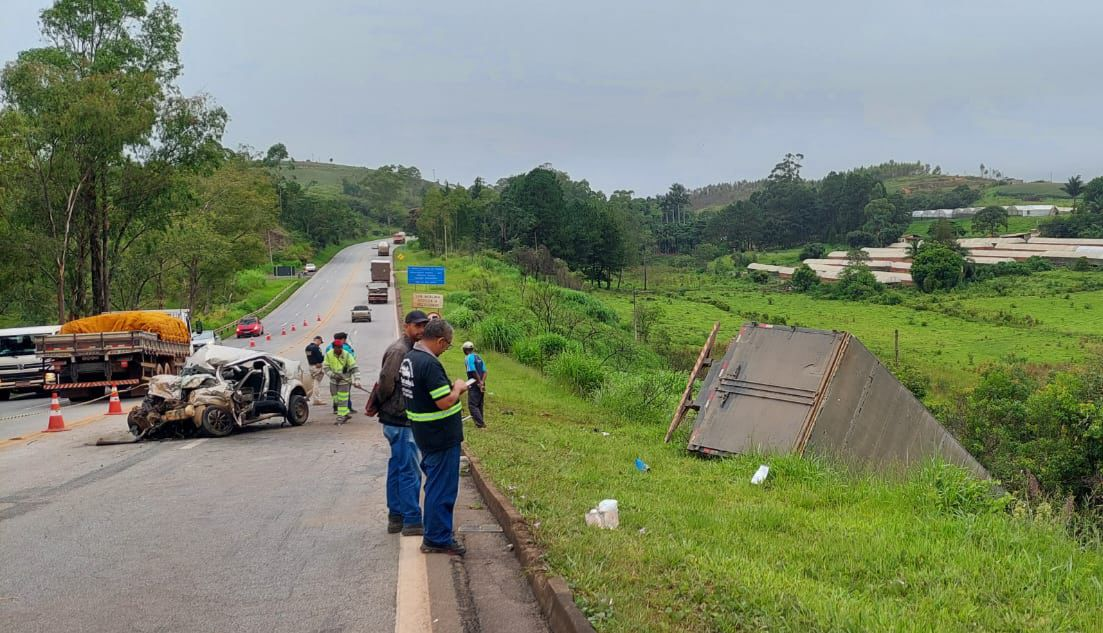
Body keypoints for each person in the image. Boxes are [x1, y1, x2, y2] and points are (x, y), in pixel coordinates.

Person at [400, 318, 468, 556]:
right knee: (442, 488)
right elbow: (444, 401)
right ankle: (437, 538)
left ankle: (435, 534)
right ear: (440, 340)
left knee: (435, 485)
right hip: (440, 436)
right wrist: (458, 388)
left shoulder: (410, 358)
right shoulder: (429, 364)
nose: (445, 350)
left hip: (424, 433)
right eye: (446, 345)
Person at [374, 310, 431, 536]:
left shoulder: (409, 349)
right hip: (399, 418)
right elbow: (386, 382)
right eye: (417, 326)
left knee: (398, 467)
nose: (421, 330)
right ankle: (411, 520)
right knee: (409, 470)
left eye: (424, 326)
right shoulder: (400, 351)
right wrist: (389, 404)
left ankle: (396, 516)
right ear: (406, 326)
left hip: (395, 418)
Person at [324, 338, 360, 424]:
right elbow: (326, 367)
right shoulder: (329, 355)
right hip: (333, 381)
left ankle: (341, 417)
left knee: (342, 399)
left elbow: (354, 368)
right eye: (337, 347)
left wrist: (357, 380)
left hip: (344, 382)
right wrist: (333, 375)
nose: (339, 349)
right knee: (335, 399)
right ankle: (346, 413)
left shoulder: (347, 355)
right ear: (333, 348)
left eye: (340, 347)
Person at [326, 332, 356, 411]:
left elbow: (326, 363)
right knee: (345, 393)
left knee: (335, 393)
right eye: (345, 339)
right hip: (344, 375)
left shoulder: (329, 347)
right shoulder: (345, 348)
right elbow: (352, 359)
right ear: (342, 339)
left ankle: (336, 407)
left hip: (333, 376)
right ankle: (347, 407)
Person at [462, 341, 487, 429]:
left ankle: (480, 424)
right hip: (481, 382)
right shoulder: (478, 357)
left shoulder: (468, 357)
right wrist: (482, 383)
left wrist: (479, 382)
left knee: (472, 405)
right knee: (479, 403)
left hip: (474, 382)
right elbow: (485, 371)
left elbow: (472, 370)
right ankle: (481, 422)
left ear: (465, 350)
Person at [304, 336, 326, 406]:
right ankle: (316, 400)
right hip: (317, 367)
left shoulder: (307, 347)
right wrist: (323, 357)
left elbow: (310, 357)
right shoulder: (316, 348)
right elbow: (320, 359)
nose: (320, 344)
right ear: (318, 340)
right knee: (316, 383)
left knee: (313, 383)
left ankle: (306, 397)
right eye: (320, 342)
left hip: (311, 366)